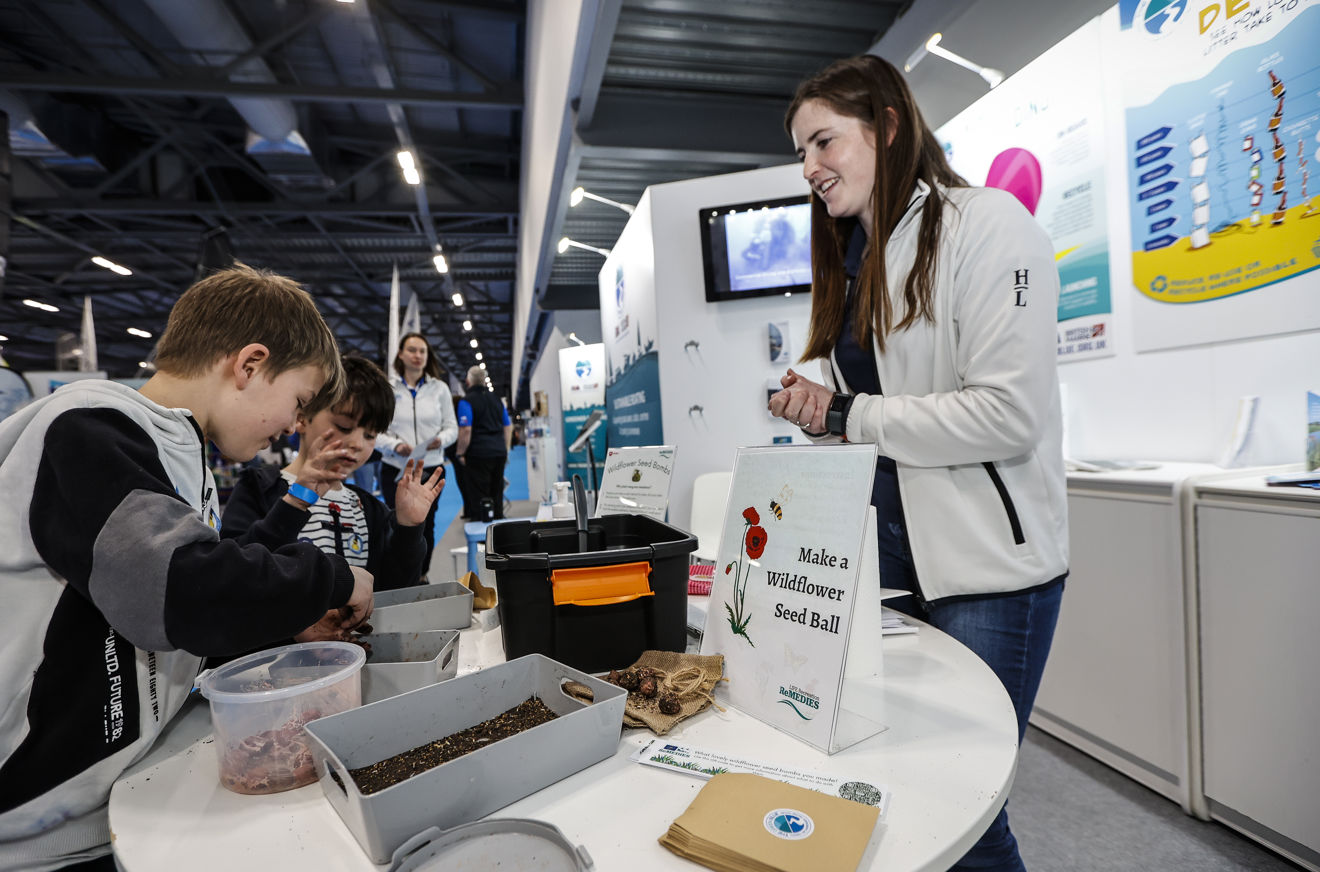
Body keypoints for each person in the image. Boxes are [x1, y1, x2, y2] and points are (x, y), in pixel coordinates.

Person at [770, 55, 1068, 872]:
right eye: (802, 151)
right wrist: (820, 414)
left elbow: (1009, 414)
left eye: (824, 141)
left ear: (889, 127)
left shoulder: (989, 225)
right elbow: (880, 419)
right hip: (889, 562)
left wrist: (848, 412)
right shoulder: (855, 260)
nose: (810, 168)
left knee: (966, 811)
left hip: (985, 575)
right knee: (896, 788)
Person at [0, 265, 374, 871]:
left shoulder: (177, 447)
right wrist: (330, 578)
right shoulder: (87, 427)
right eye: (298, 402)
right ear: (250, 365)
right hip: (32, 829)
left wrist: (286, 625)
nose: (292, 426)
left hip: (109, 805)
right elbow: (176, 588)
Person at [221, 355, 445, 591]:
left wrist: (408, 528)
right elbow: (235, 573)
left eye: (370, 436)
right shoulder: (258, 487)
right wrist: (295, 503)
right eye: (344, 427)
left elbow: (395, 587)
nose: (358, 443)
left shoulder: (368, 509)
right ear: (301, 418)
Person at [377, 333, 457, 577]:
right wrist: (393, 445)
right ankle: (397, 576)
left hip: (430, 467)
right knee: (395, 523)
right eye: (412, 350)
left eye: (422, 351)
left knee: (426, 525)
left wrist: (440, 441)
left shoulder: (439, 389)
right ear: (400, 354)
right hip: (395, 468)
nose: (418, 355)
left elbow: (451, 427)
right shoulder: (388, 388)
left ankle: (421, 574)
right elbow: (375, 431)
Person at [455, 366, 512, 521]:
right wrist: (505, 448)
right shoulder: (498, 400)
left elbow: (466, 429)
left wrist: (460, 452)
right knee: (497, 491)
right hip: (498, 451)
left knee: (479, 494)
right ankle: (499, 528)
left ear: (468, 381)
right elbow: (507, 426)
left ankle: (482, 534)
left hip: (478, 453)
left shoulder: (466, 401)